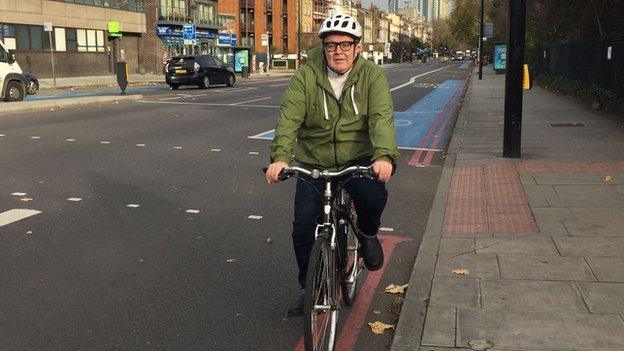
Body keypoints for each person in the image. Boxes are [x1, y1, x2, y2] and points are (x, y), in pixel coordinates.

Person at [265, 14, 399, 317]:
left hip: (359, 157)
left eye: (345, 44)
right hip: (315, 160)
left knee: (372, 195)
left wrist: (383, 156)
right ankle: (309, 288)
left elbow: (381, 118)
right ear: (323, 48)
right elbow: (289, 119)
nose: (337, 51)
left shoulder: (371, 76)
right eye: (330, 45)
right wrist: (281, 158)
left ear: (357, 48)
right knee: (302, 227)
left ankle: (365, 233)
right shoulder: (306, 75)